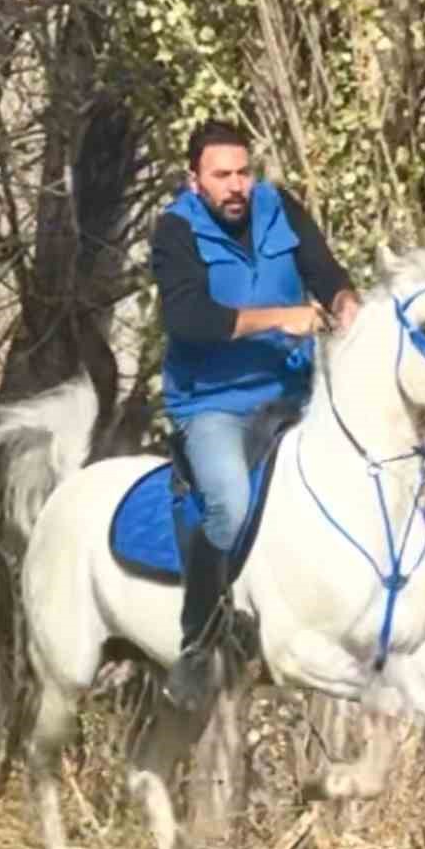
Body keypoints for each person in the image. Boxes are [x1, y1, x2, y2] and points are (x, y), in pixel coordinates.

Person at [151, 119, 360, 709]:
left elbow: (326, 273)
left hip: (292, 391)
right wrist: (280, 317)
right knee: (232, 502)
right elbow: (190, 320)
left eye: (243, 172)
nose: (237, 186)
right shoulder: (174, 231)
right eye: (222, 176)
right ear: (195, 181)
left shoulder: (278, 209)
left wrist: (347, 307)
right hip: (213, 403)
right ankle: (200, 639)